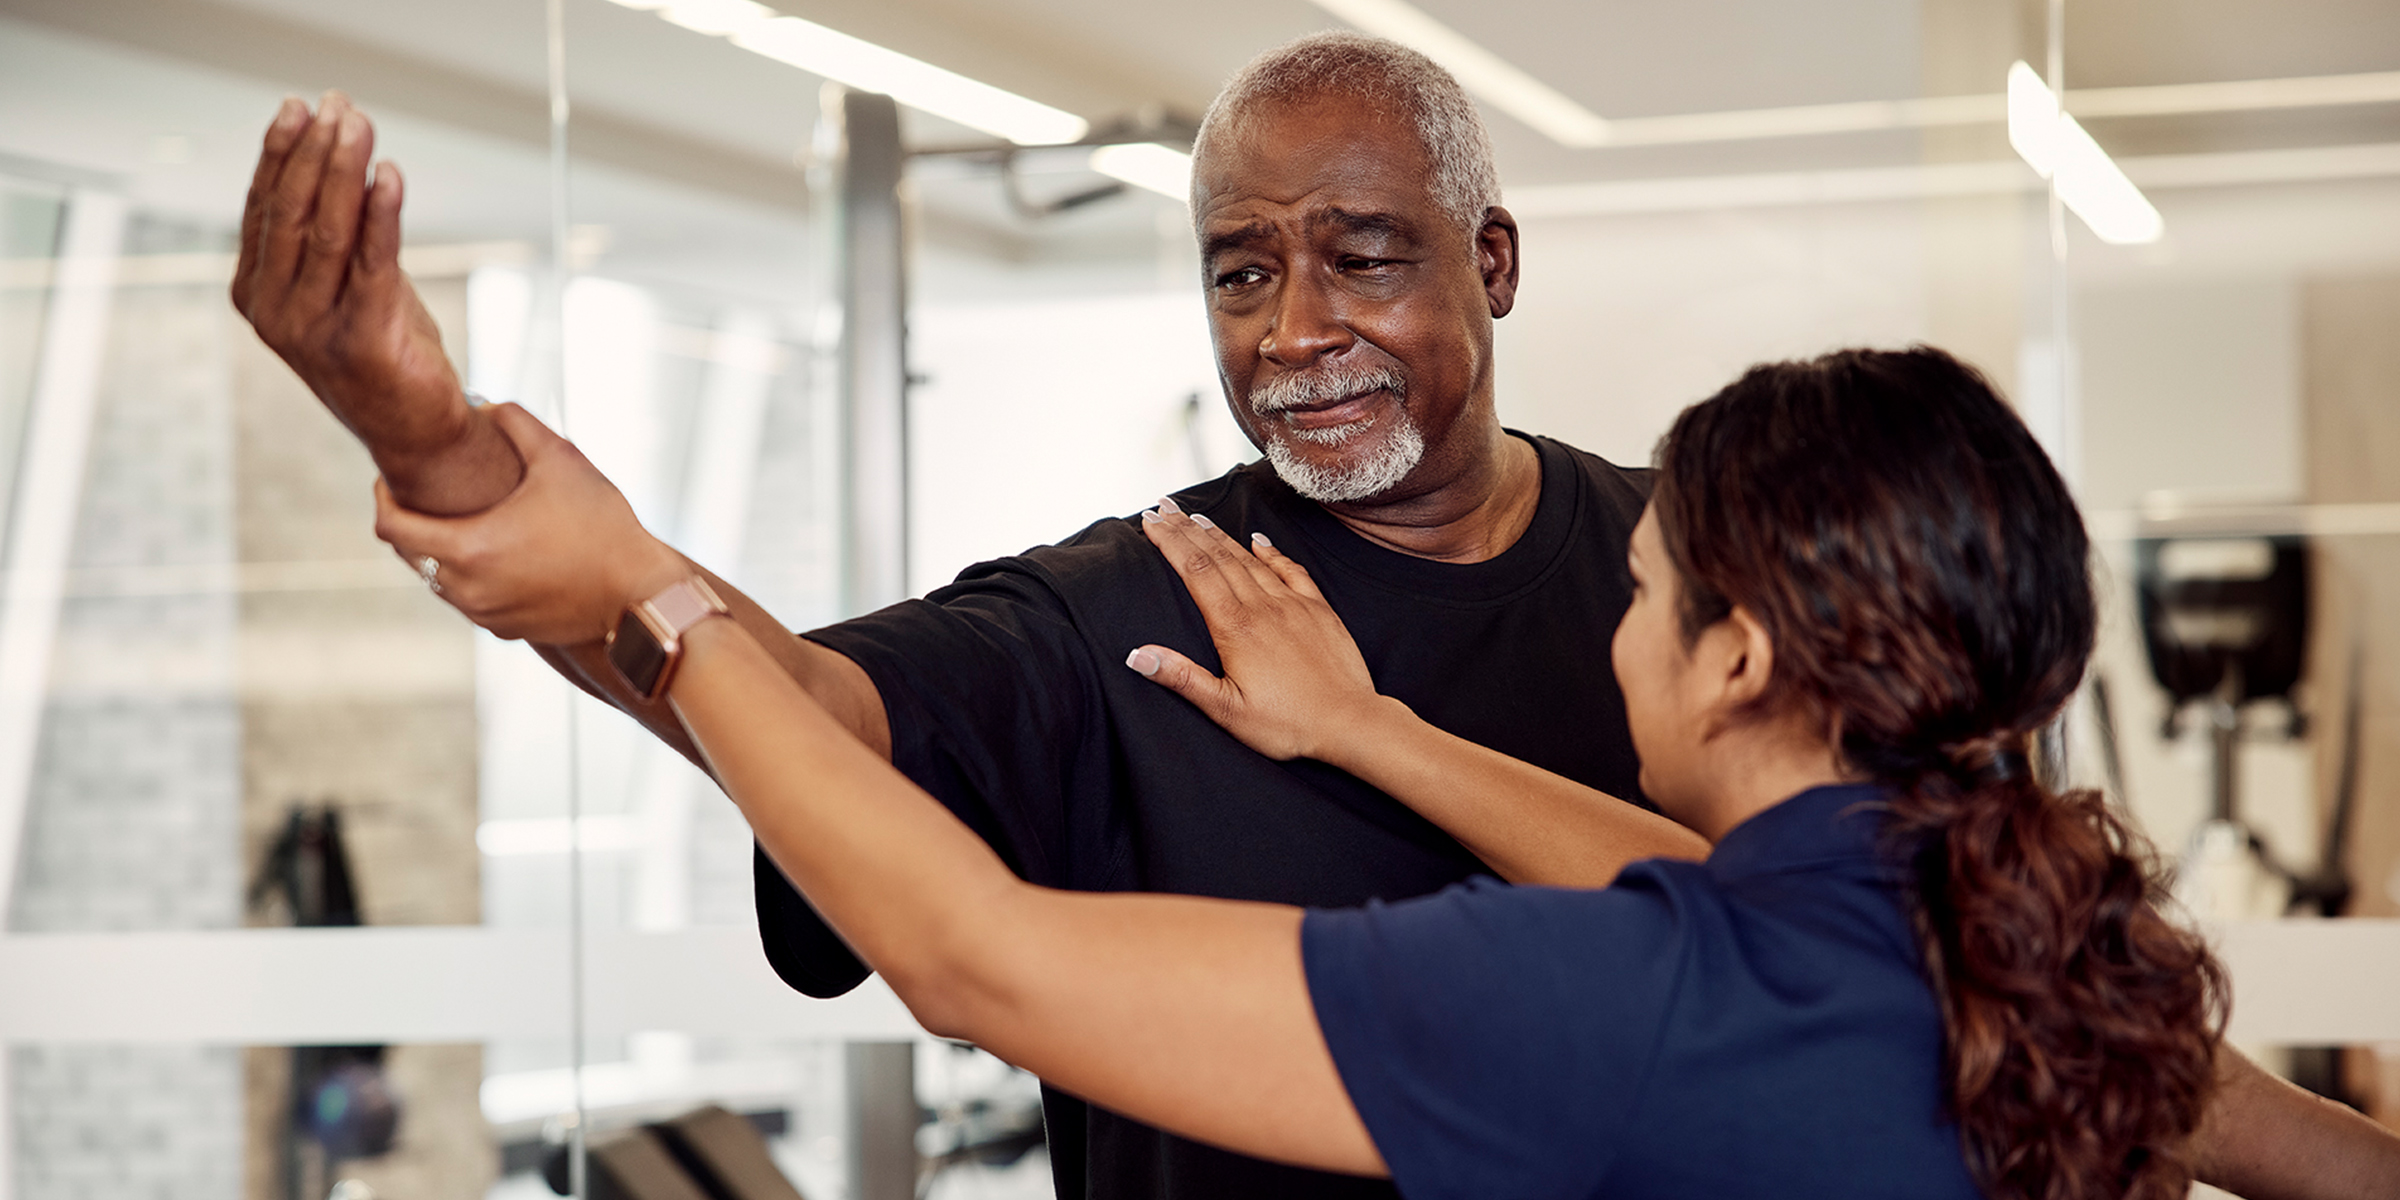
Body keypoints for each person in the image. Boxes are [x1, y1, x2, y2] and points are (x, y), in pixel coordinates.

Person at [231, 33, 2399, 1200]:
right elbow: (803, 718)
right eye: (1238, 270)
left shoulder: (1727, 594)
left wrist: (650, 582)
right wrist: (468, 474)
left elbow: (984, 957)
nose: (1294, 331)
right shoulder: (1133, 603)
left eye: (1361, 254)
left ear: (1497, 264)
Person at [389, 345, 2265, 1198]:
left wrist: (651, 598)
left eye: (1647, 592)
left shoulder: (1638, 1002)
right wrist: (1369, 730)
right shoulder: (2048, 963)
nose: (1620, 629)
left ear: (1743, 657)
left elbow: (982, 961)